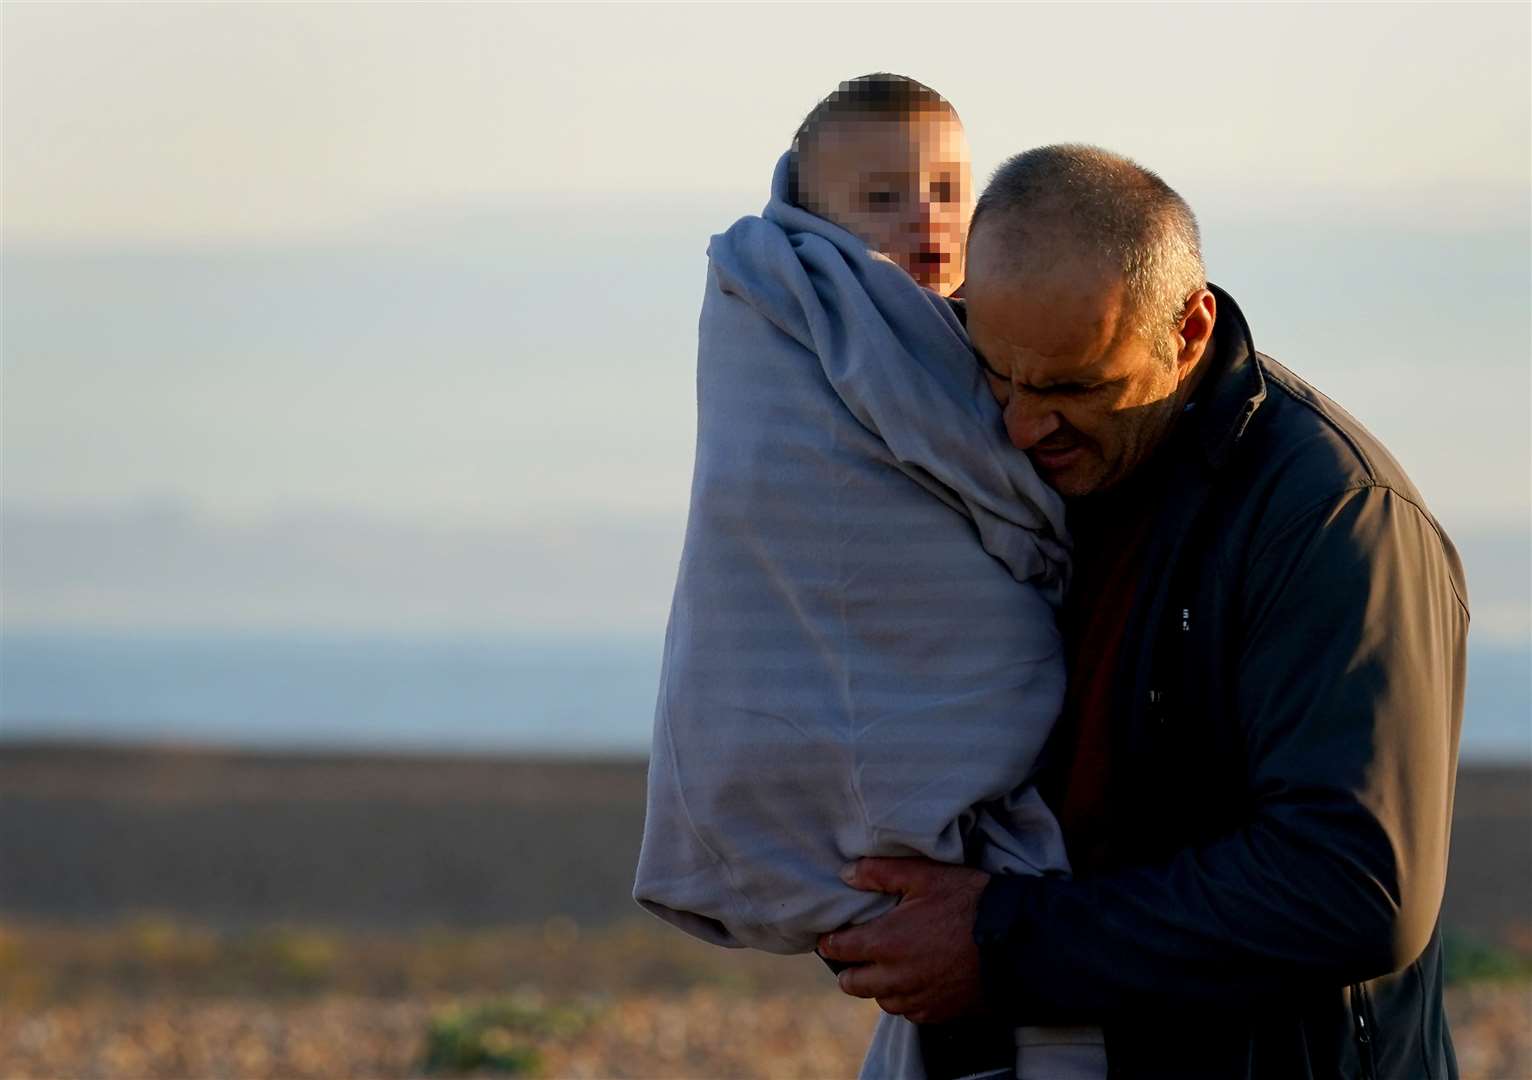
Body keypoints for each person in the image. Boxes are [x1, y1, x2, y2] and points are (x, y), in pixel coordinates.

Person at [816, 143, 1468, 1078]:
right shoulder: (1008, 465)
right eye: (998, 372)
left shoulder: (1331, 518)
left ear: (1190, 330)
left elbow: (1356, 885)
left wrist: (1000, 940)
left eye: (1075, 386)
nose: (1023, 423)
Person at [633, 78, 1105, 1078]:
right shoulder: (777, 305)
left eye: (945, 188)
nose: (923, 217)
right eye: (881, 198)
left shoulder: (989, 331)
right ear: (815, 220)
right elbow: (761, 498)